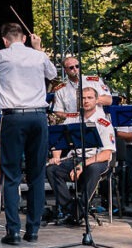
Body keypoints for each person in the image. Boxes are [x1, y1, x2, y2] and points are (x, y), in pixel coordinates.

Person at [0, 22, 57, 245]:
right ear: (24, 38)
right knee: (36, 175)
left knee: (11, 175)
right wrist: (39, 48)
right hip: (38, 117)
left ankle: (13, 232)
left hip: (13, 118)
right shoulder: (38, 56)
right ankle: (33, 231)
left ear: (5, 40)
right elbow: (53, 75)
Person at [44, 87, 117, 224]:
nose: (86, 101)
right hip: (75, 158)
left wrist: (82, 165)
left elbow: (106, 153)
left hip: (96, 159)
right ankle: (71, 209)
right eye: (83, 98)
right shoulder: (72, 118)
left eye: (90, 98)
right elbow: (58, 140)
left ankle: (81, 209)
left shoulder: (103, 122)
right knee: (51, 169)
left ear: (96, 100)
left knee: (93, 169)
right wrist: (56, 156)